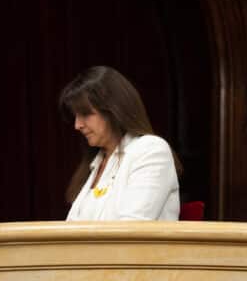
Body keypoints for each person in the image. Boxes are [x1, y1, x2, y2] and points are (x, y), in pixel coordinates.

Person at [59, 66, 181, 221]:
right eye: (75, 115)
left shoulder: (151, 150)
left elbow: (130, 230)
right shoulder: (97, 162)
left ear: (113, 110)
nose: (77, 125)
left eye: (85, 114)